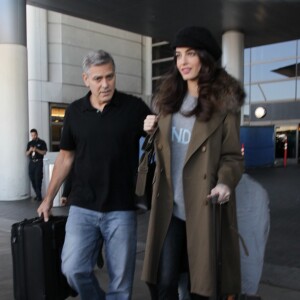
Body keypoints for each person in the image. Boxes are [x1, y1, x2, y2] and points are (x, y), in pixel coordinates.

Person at [37, 49, 151, 300]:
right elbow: (66, 158)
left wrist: (154, 127)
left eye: (110, 76)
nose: (105, 84)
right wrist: (48, 198)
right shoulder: (75, 112)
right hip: (82, 207)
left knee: (121, 285)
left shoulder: (134, 108)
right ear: (85, 79)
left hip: (121, 208)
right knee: (73, 268)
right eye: (98, 78)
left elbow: (160, 144)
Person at [141, 26, 245, 299]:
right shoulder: (168, 100)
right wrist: (151, 131)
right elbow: (161, 152)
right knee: (163, 282)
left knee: (202, 287)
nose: (183, 62)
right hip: (170, 208)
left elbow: (233, 156)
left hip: (203, 208)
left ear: (206, 58)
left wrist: (225, 182)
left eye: (190, 54)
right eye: (177, 55)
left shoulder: (224, 105)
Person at [26, 128, 47, 201]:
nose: (33, 136)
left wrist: (36, 150)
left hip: (39, 162)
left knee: (38, 178)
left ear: (37, 134)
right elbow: (26, 154)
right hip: (32, 162)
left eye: (34, 135)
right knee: (32, 178)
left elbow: (44, 152)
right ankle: (38, 194)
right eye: (32, 135)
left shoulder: (42, 142)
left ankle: (39, 196)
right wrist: (30, 150)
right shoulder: (29, 143)